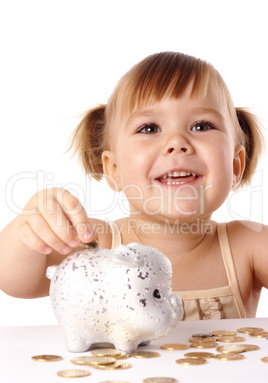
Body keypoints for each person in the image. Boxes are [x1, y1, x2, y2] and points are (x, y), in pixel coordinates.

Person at [0, 51, 267, 320]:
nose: (177, 141)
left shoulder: (248, 245)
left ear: (235, 166)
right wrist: (26, 234)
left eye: (201, 125)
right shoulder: (97, 244)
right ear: (114, 170)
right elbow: (16, 282)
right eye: (150, 128)